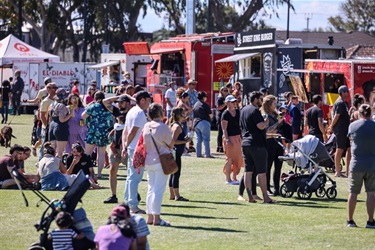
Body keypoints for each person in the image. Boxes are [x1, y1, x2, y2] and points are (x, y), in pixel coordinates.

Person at [240, 91, 276, 204]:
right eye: (261, 99)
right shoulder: (255, 110)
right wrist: (265, 122)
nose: (262, 101)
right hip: (257, 144)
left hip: (245, 143)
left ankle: (250, 197)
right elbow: (260, 126)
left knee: (248, 171)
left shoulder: (244, 109)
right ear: (255, 99)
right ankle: (266, 197)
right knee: (261, 172)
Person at [143, 103, 173, 226]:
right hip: (161, 161)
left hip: (149, 160)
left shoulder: (146, 126)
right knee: (158, 190)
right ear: (160, 113)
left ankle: (150, 216)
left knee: (151, 189)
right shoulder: (163, 126)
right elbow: (170, 144)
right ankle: (157, 218)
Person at [122, 91, 151, 214]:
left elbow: (126, 130)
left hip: (132, 148)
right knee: (135, 178)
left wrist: (124, 146)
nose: (149, 103)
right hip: (137, 149)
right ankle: (133, 205)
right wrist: (126, 145)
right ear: (142, 100)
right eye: (148, 100)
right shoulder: (139, 113)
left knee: (131, 177)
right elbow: (132, 132)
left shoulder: (132, 111)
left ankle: (128, 202)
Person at [347, 104, 375, 228]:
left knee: (353, 193)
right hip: (372, 164)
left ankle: (350, 220)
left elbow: (351, 141)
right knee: (371, 193)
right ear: (370, 113)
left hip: (356, 163)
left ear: (359, 113)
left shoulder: (352, 126)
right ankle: (370, 220)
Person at [104, 95, 132, 204]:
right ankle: (113, 195)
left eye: (122, 102)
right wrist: (119, 96)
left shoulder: (132, 112)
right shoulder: (117, 112)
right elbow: (105, 102)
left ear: (128, 103)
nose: (119, 104)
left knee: (131, 171)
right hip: (115, 146)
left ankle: (134, 192)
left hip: (127, 146)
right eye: (118, 102)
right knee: (112, 170)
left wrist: (130, 97)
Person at [82, 91, 114, 179]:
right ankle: (99, 173)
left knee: (88, 153)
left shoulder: (92, 106)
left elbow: (83, 116)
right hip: (104, 133)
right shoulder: (107, 107)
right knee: (101, 154)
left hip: (92, 132)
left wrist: (89, 106)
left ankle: (87, 171)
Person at [260, 95, 284, 196]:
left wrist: (280, 117)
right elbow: (267, 130)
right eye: (274, 103)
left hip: (277, 141)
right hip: (269, 141)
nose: (275, 105)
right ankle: (268, 188)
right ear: (269, 104)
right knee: (268, 166)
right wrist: (277, 124)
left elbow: (281, 124)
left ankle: (277, 188)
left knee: (278, 166)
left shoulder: (275, 113)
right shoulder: (265, 115)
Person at [168, 107, 191, 201]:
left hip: (175, 152)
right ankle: (177, 195)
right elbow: (173, 141)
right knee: (176, 174)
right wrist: (184, 141)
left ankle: (172, 195)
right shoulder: (177, 126)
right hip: (176, 153)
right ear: (178, 115)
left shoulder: (174, 125)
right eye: (183, 113)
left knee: (173, 174)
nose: (184, 114)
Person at [328, 85, 351, 177]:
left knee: (349, 149)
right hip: (341, 130)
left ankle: (347, 171)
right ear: (342, 92)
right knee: (340, 149)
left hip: (346, 130)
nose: (347, 93)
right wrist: (331, 126)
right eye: (346, 91)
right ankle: (337, 171)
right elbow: (336, 116)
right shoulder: (340, 103)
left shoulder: (344, 103)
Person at [221, 95, 243, 185]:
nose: (234, 103)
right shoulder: (225, 114)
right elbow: (224, 129)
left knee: (238, 158)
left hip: (238, 138)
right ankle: (228, 179)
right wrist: (227, 140)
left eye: (235, 102)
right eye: (232, 102)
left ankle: (234, 177)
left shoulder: (238, 112)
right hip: (229, 138)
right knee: (229, 159)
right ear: (227, 103)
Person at [48, 88, 72, 158]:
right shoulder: (61, 106)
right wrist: (70, 114)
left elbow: (50, 117)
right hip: (61, 128)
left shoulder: (52, 105)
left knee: (52, 151)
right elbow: (62, 120)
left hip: (52, 127)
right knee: (59, 152)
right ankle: (58, 168)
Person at [39, 82, 58, 160]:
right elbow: (42, 115)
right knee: (45, 146)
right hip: (47, 127)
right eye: (53, 88)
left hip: (54, 127)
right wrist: (47, 125)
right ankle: (40, 161)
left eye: (55, 88)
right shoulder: (45, 101)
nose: (55, 90)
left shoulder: (56, 100)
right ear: (48, 89)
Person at [193, 91, 213, 158]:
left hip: (196, 122)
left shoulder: (195, 104)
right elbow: (210, 115)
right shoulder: (204, 105)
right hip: (204, 122)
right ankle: (207, 154)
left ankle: (198, 154)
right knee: (206, 139)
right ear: (204, 97)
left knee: (198, 139)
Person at [215, 86, 228, 153]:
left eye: (226, 90)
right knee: (220, 132)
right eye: (224, 90)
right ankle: (219, 146)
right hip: (220, 116)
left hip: (226, 117)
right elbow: (219, 108)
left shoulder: (227, 98)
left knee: (225, 131)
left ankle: (223, 145)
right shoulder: (220, 99)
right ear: (221, 91)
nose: (225, 91)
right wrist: (225, 104)